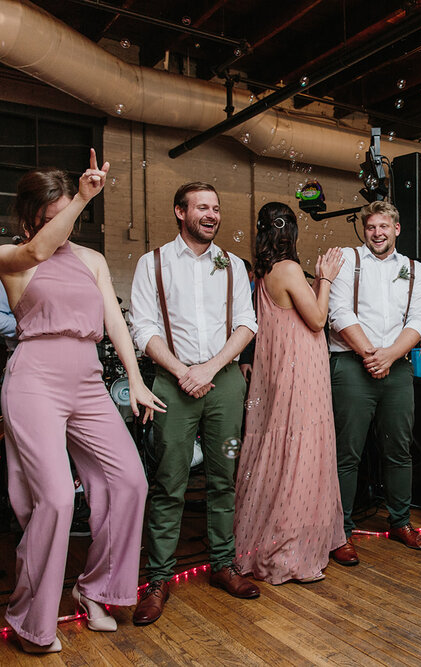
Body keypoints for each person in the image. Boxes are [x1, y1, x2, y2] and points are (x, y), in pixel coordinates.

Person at [0, 151, 161, 653]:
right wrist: (83, 199)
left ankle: (95, 590)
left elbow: (113, 321)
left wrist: (135, 379)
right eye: (52, 217)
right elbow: (39, 250)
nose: (63, 227)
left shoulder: (92, 260)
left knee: (129, 480)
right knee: (58, 498)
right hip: (34, 379)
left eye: (70, 214)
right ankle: (28, 619)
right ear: (31, 220)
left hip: (87, 379)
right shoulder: (10, 256)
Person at [129, 181, 259, 626]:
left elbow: (246, 323)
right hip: (172, 383)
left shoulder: (233, 266)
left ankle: (223, 565)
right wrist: (184, 371)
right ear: (180, 212)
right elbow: (142, 327)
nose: (212, 214)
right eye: (202, 207)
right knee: (169, 483)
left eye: (217, 208)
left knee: (225, 479)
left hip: (223, 382)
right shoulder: (154, 263)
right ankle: (159, 579)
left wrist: (209, 369)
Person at [233, 202, 346, 584]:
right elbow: (316, 320)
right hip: (301, 374)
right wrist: (326, 278)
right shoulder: (289, 269)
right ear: (291, 233)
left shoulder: (263, 273)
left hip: (279, 371)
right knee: (301, 456)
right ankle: (289, 551)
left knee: (275, 455)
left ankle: (261, 540)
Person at [327, 200, 421, 565]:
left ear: (397, 229)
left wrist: (389, 356)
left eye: (384, 227)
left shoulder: (415, 269)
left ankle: (401, 521)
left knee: (400, 450)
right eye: (371, 227)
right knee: (347, 453)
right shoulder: (346, 259)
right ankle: (339, 532)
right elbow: (338, 312)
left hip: (397, 366)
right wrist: (372, 354)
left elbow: (420, 319)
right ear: (365, 229)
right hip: (352, 366)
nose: (377, 233)